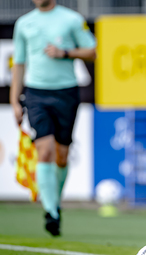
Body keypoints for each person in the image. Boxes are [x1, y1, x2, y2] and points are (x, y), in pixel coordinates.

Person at [10, 0, 96, 236]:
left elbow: (93, 51)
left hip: (66, 92)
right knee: (44, 150)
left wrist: (65, 52)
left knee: (61, 155)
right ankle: (51, 212)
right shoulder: (23, 23)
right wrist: (14, 99)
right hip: (36, 93)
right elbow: (18, 64)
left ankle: (54, 201)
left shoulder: (72, 19)